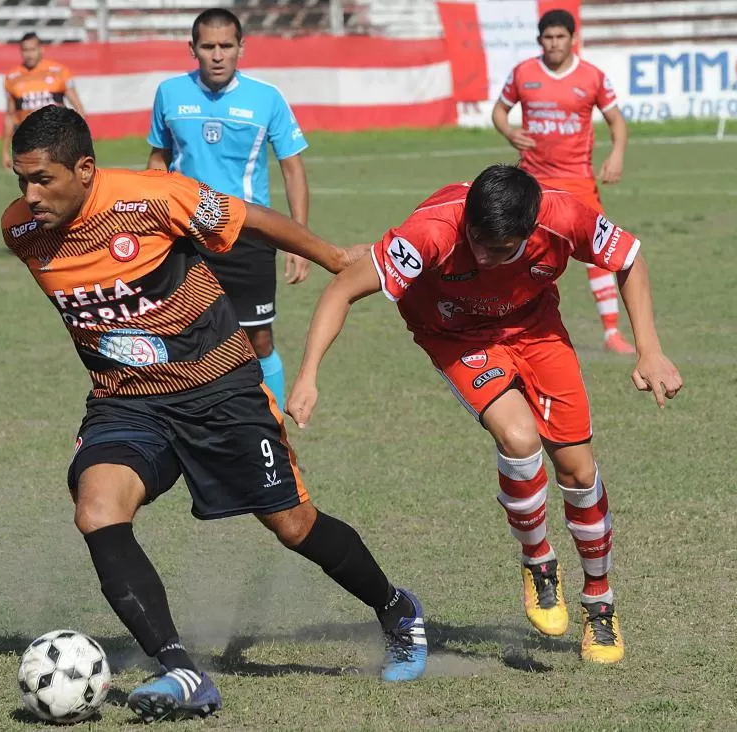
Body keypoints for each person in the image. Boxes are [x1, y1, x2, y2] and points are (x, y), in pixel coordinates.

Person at [1, 105, 427, 721]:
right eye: (21, 181)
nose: (30, 195)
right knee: (96, 510)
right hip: (124, 402)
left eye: (43, 179)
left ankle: (395, 608)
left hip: (220, 390)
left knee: (292, 525)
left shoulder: (153, 198)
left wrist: (336, 259)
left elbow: (249, 217)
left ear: (85, 169)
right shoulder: (22, 232)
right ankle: (180, 669)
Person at [286, 165, 684, 664]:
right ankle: (538, 559)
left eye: (498, 249)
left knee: (578, 470)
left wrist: (649, 349)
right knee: (518, 438)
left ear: (531, 228)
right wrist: (308, 374)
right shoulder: (431, 232)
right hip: (456, 337)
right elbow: (343, 288)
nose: (480, 255)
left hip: (535, 329)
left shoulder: (563, 217)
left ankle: (600, 604)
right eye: (475, 240)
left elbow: (628, 257)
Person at [147, 8, 309, 408]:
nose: (217, 55)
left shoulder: (266, 99)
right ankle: (192, 415)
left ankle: (272, 421)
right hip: (186, 236)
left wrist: (297, 240)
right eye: (208, 46)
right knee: (184, 334)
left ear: (241, 48)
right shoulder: (169, 93)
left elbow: (293, 170)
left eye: (225, 46)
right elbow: (156, 162)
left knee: (258, 337)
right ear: (192, 49)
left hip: (249, 236)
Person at [492, 9, 635, 354]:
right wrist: (510, 132)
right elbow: (499, 111)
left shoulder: (592, 77)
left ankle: (612, 333)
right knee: (521, 251)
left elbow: (616, 122)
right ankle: (509, 324)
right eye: (548, 37)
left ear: (573, 39)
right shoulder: (523, 73)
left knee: (597, 255)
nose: (554, 43)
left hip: (578, 181)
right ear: (540, 40)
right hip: (532, 182)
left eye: (560, 37)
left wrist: (616, 155)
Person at [2, 32, 86, 169]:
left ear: (41, 49)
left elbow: (79, 109)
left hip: (56, 139)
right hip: (28, 141)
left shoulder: (59, 71)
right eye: (25, 50)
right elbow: (10, 116)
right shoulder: (12, 77)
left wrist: (77, 141)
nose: (29, 54)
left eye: (32, 50)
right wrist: (5, 151)